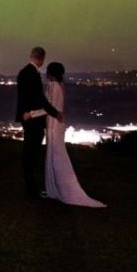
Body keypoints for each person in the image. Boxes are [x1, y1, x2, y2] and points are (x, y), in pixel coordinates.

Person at [41, 62, 106, 208]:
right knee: (57, 154)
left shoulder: (52, 86)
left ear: (50, 73)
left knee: (55, 156)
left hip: (53, 124)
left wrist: (31, 114)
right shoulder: (61, 85)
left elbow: (48, 108)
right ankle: (55, 190)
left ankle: (57, 190)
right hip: (58, 125)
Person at [16, 47, 61, 200]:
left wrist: (24, 113)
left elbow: (24, 96)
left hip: (26, 117)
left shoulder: (23, 72)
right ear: (42, 59)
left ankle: (31, 187)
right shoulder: (33, 74)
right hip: (32, 119)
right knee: (32, 153)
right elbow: (40, 98)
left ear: (31, 56)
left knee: (29, 152)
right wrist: (55, 113)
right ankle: (31, 190)